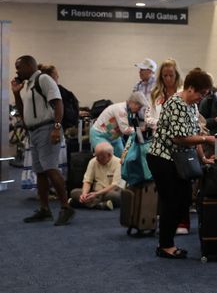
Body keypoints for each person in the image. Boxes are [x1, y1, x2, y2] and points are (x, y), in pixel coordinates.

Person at [146, 69, 216, 259]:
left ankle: (166, 241)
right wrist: (206, 138)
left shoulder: (192, 106)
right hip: (162, 158)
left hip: (178, 159)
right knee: (171, 200)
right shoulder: (176, 103)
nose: (201, 98)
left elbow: (195, 134)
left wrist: (202, 158)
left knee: (184, 198)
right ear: (191, 89)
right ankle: (165, 245)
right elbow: (180, 138)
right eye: (201, 93)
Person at [10, 55, 75, 226]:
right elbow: (23, 111)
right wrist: (16, 93)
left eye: (19, 67)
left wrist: (56, 127)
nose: (17, 71)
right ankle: (45, 209)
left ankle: (66, 207)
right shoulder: (29, 85)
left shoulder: (43, 79)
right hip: (34, 132)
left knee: (50, 168)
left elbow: (58, 103)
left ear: (29, 65)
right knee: (40, 171)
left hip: (47, 129)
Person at [89, 92, 149, 157]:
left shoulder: (131, 111)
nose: (139, 110)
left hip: (114, 136)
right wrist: (140, 129)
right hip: (99, 135)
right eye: (139, 107)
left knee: (122, 158)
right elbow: (125, 130)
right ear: (132, 103)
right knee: (106, 158)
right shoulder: (121, 110)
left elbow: (134, 126)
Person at [68, 141, 122, 210]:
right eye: (96, 155)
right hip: (94, 192)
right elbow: (87, 181)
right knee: (74, 192)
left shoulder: (119, 163)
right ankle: (101, 205)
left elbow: (115, 186)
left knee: (115, 196)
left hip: (108, 192)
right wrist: (84, 194)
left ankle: (77, 203)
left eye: (100, 156)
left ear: (109, 155)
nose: (97, 158)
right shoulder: (93, 161)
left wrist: (96, 194)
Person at [145, 58, 182, 130]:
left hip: (179, 136)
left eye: (171, 75)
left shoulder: (183, 93)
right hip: (158, 136)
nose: (168, 79)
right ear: (161, 76)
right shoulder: (155, 93)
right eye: (165, 75)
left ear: (176, 75)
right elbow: (147, 118)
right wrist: (163, 124)